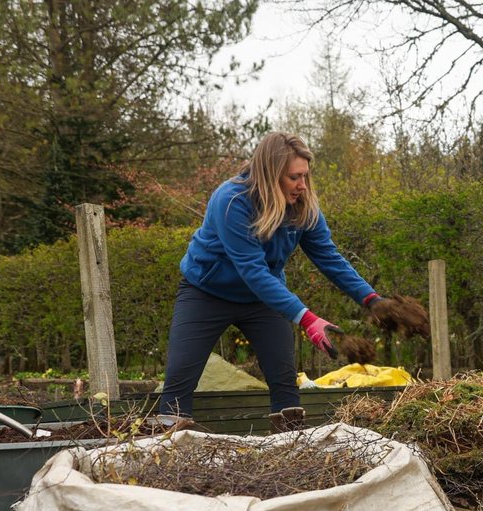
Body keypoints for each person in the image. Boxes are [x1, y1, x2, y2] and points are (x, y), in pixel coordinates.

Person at [158, 131, 384, 431]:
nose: (302, 185)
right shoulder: (232, 201)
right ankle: (168, 449)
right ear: (270, 174)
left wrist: (372, 300)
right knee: (178, 382)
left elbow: (329, 258)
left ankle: (290, 453)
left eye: (305, 176)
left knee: (284, 381)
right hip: (206, 294)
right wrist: (306, 318)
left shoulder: (303, 206)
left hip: (262, 300)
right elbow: (252, 270)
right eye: (294, 177)